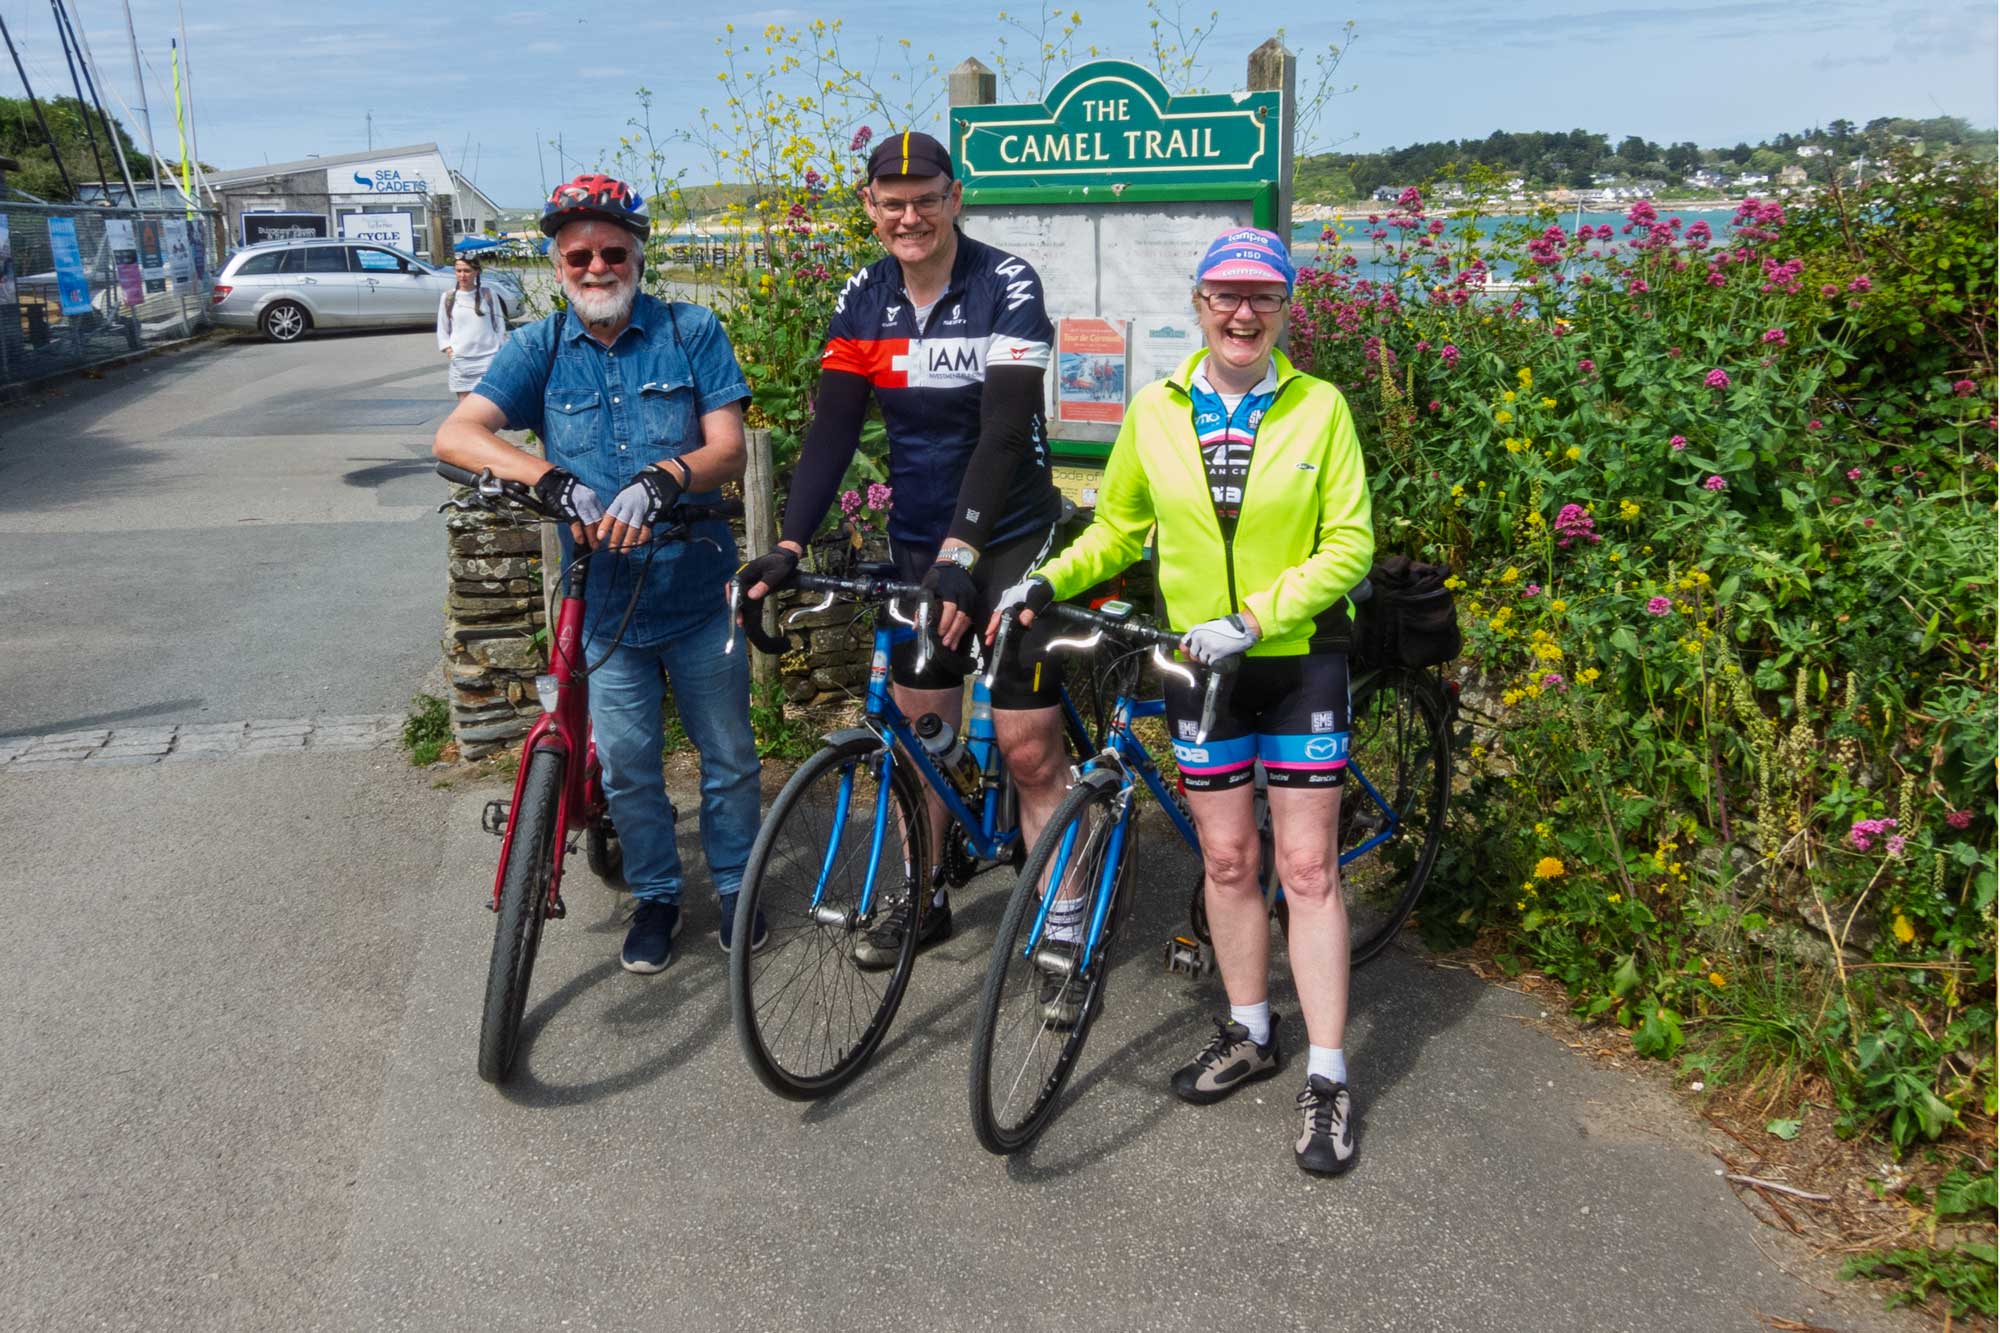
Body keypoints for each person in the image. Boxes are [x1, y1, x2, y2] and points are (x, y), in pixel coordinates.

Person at [994, 227, 1374, 1176]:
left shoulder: (1320, 407)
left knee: (1307, 865)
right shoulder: (1156, 409)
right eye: (1224, 296)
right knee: (1227, 855)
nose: (1242, 313)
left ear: (1286, 310)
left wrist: (1258, 615)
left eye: (1263, 298)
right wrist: (1046, 581)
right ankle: (1250, 1029)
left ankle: (1328, 1075)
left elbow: (1351, 544)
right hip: (1193, 660)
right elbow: (1120, 527)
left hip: (1295, 657)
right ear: (1199, 305)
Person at [736, 130, 1071, 968]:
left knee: (1029, 747)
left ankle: (1065, 921)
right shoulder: (863, 296)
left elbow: (1001, 435)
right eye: (894, 203)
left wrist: (964, 553)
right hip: (923, 540)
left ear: (954, 199)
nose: (911, 215)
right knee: (921, 736)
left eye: (927, 199)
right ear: (871, 209)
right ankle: (924, 896)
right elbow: (832, 430)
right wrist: (786, 542)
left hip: (1011, 535)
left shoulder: (1007, 283)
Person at [433, 173, 764, 975]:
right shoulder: (539, 347)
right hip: (606, 601)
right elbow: (456, 434)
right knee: (627, 767)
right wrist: (546, 479)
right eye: (578, 255)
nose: (596, 267)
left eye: (613, 252)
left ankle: (736, 887)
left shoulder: (691, 330)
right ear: (557, 264)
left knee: (727, 755)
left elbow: (728, 446)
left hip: (694, 587)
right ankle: (656, 897)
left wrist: (664, 479)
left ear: (638, 257)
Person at [437, 256, 508, 400]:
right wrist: (449, 349)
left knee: (489, 402)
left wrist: (500, 348)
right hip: (461, 359)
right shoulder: (448, 297)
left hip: (488, 358)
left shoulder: (488, 294)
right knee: (465, 407)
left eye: (467, 271)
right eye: (458, 271)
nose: (462, 275)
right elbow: (442, 327)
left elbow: (500, 325)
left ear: (477, 272)